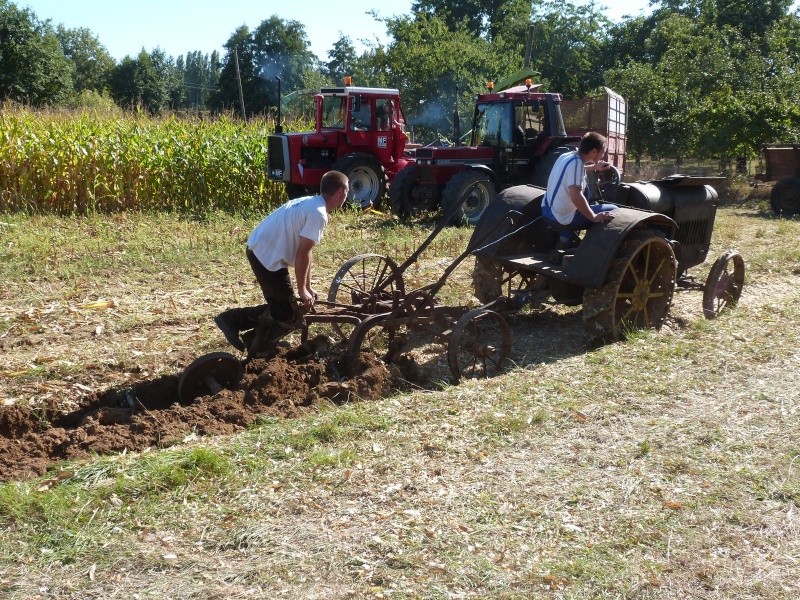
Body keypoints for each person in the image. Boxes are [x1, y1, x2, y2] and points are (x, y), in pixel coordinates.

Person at [214, 170, 349, 351]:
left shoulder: (310, 203)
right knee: (285, 312)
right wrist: (302, 290)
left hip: (262, 248)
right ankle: (234, 321)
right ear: (340, 191)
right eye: (347, 191)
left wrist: (307, 287)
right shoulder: (318, 214)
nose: (347, 196)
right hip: (265, 253)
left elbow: (307, 253)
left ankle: (258, 342)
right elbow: (302, 253)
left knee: (283, 307)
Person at [541, 131, 617, 248]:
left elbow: (573, 172)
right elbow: (576, 196)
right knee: (614, 209)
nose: (603, 155)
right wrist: (594, 217)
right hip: (561, 217)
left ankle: (564, 238)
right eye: (603, 152)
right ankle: (590, 247)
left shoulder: (568, 156)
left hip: (547, 210)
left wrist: (594, 167)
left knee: (581, 204)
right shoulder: (577, 164)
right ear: (594, 151)